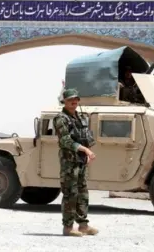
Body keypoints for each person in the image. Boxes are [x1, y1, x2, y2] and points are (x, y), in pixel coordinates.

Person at [53, 89, 99, 237]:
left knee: (82, 193)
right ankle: (68, 228)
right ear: (64, 101)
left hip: (80, 161)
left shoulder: (80, 117)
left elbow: (86, 137)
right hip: (69, 162)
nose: (74, 102)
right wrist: (85, 150)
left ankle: (83, 225)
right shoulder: (61, 118)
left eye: (76, 99)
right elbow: (65, 140)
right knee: (70, 194)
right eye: (71, 99)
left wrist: (87, 152)